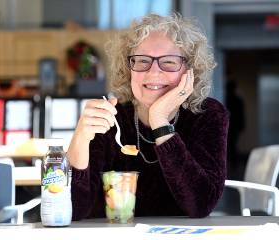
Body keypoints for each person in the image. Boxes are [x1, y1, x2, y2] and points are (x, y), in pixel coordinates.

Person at [67, 13, 229, 219]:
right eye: (142, 61)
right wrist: (80, 137)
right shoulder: (110, 117)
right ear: (128, 69)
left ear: (190, 71)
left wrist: (159, 121)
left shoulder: (207, 115)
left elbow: (200, 204)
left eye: (169, 62)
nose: (153, 73)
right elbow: (73, 209)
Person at [225, 79, 245, 177]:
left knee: (230, 146)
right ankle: (233, 165)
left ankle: (232, 165)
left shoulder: (228, 99)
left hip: (231, 126)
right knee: (232, 146)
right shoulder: (236, 100)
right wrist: (241, 126)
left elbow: (241, 114)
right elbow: (242, 115)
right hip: (234, 126)